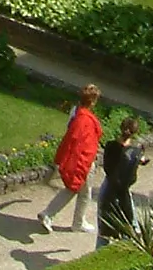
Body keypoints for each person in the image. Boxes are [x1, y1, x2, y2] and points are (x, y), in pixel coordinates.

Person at [39, 84, 103, 233]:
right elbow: (77, 141)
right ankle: (73, 221)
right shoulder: (85, 120)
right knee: (81, 191)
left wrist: (60, 159)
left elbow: (69, 138)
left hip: (80, 160)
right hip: (83, 161)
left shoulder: (77, 113)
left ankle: (51, 214)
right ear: (92, 102)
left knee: (76, 190)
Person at [96, 117, 144, 243]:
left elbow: (109, 165)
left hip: (109, 187)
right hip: (124, 190)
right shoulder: (136, 152)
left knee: (104, 223)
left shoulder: (110, 146)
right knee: (128, 219)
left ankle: (100, 251)